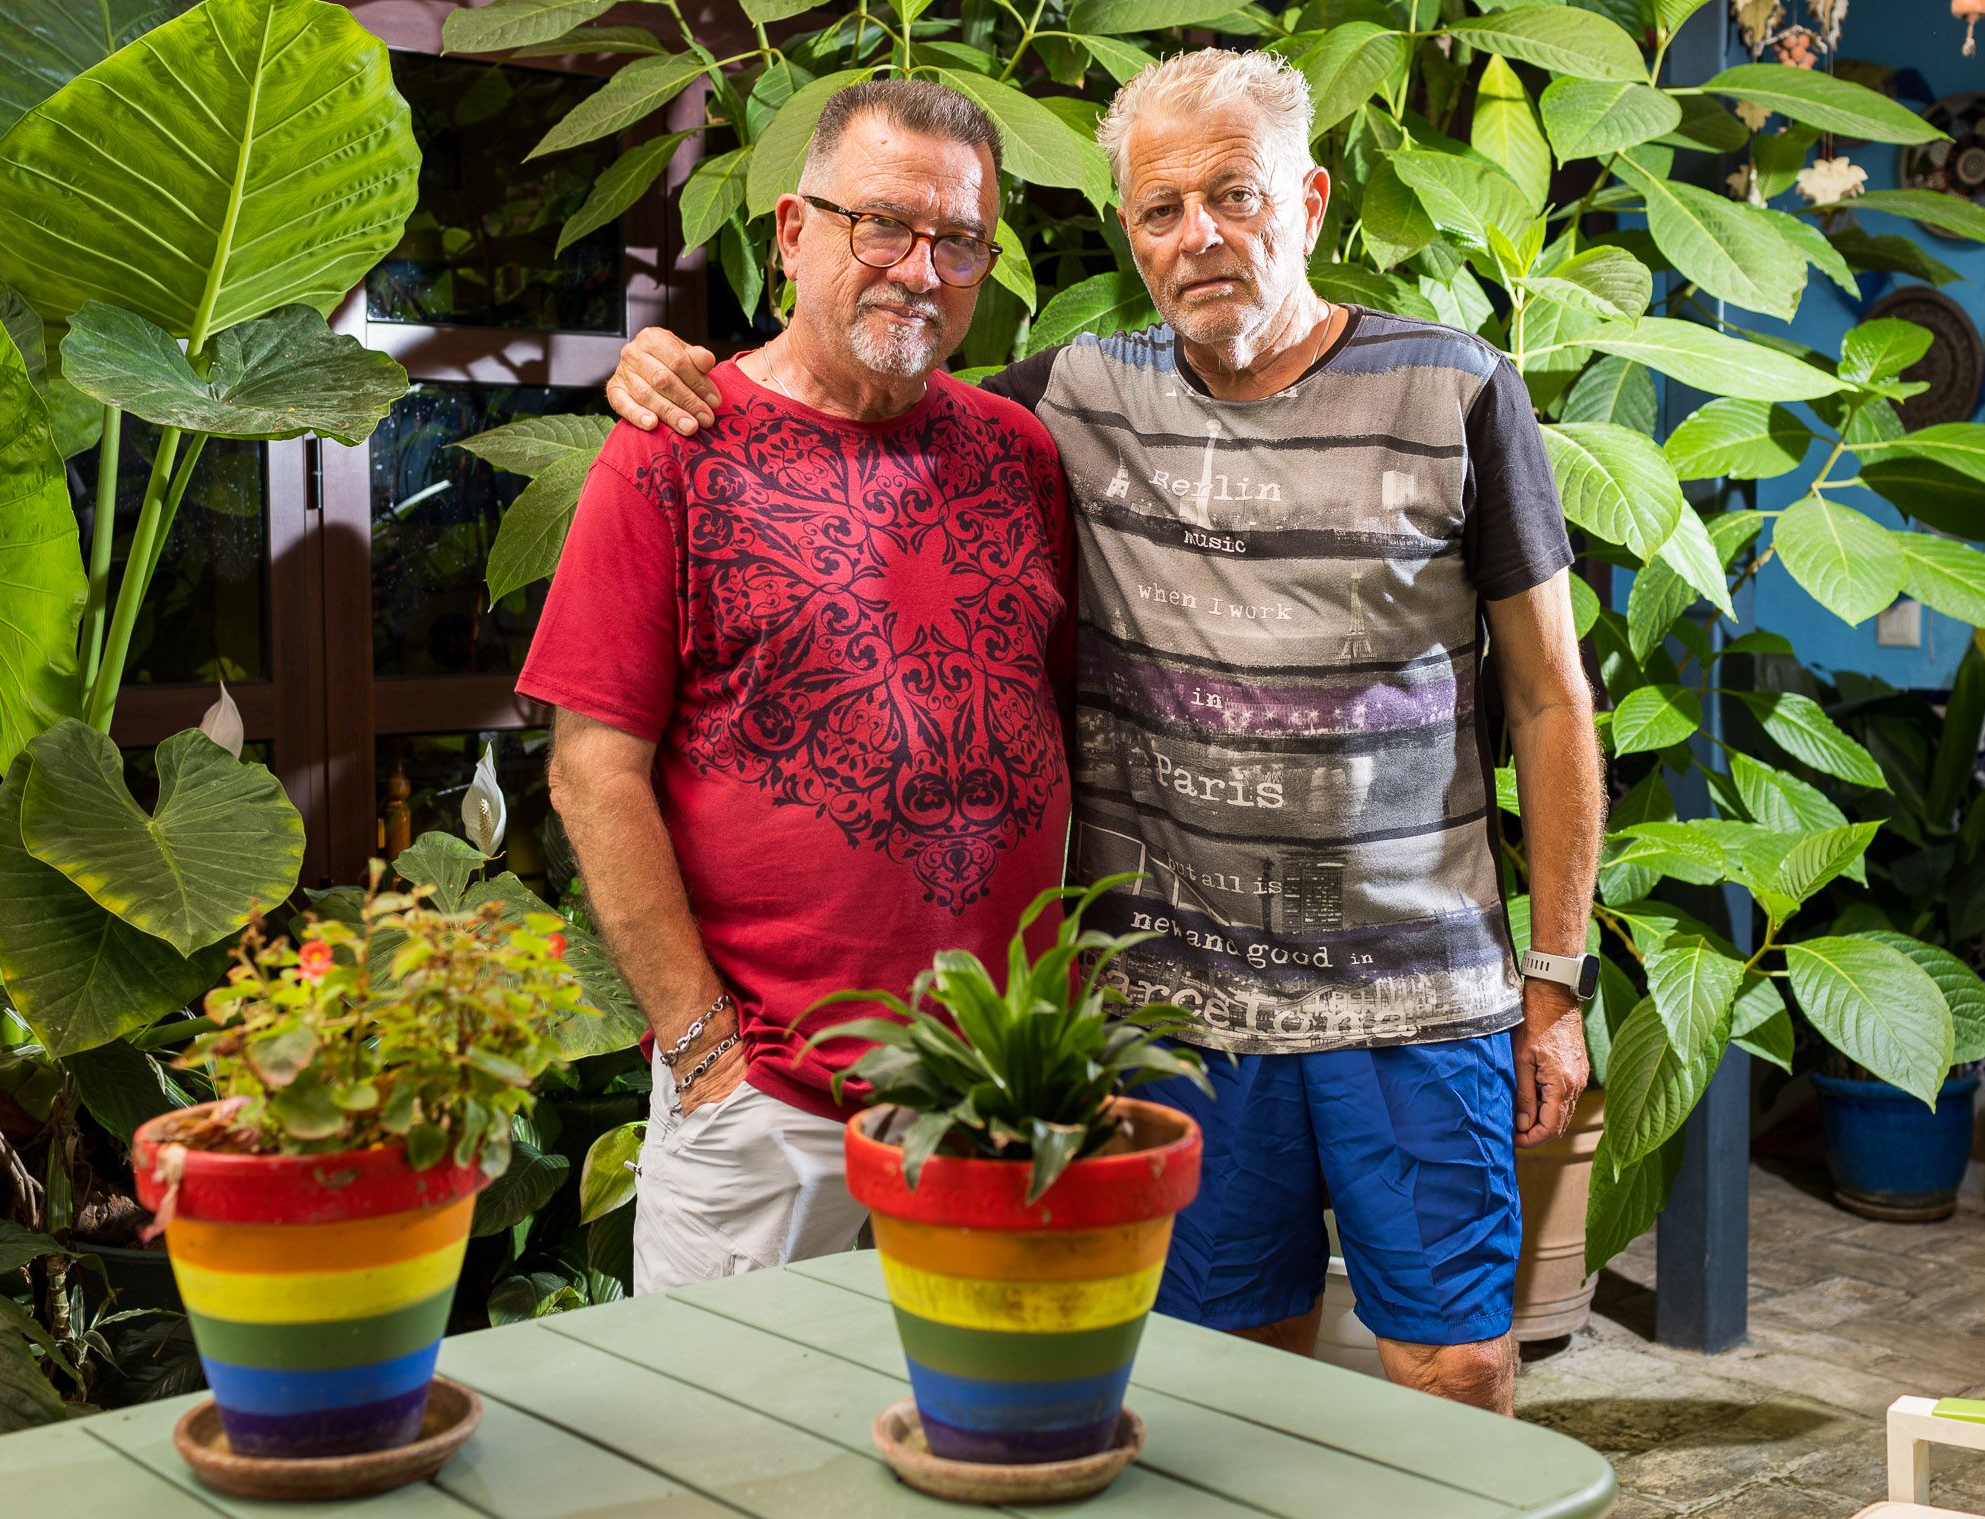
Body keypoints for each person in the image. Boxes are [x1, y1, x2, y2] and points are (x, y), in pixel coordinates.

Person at [602, 49, 1603, 1416]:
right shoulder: (1070, 398)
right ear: (1127, 236)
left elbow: (1553, 698)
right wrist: (669, 363)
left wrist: (1554, 982)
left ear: (1306, 199)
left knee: (1457, 1365)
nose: (1202, 237)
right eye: (1160, 210)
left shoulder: (1460, 387)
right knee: (1216, 1388)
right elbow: (869, 372)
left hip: (1415, 1001)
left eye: (1236, 195)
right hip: (1181, 1015)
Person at [517, 81, 1074, 1295]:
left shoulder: (1017, 454)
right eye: (883, 225)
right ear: (790, 230)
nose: (922, 271)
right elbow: (589, 770)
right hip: (771, 1103)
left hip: (999, 1098)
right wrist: (704, 1049)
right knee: (740, 1465)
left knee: (994, 1443)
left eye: (961, 240)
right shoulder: (673, 449)